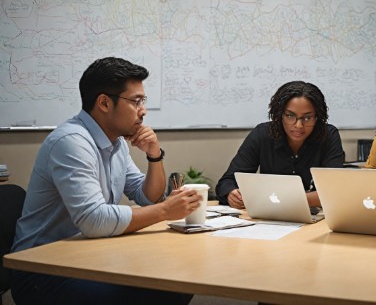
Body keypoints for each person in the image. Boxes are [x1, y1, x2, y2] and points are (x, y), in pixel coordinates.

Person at [11, 57, 198, 305]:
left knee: (176, 279)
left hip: (86, 254)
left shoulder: (116, 142)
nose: (143, 110)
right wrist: (165, 210)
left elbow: (145, 196)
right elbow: (94, 220)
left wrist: (154, 155)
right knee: (163, 291)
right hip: (42, 270)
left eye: (143, 101)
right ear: (104, 103)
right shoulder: (72, 142)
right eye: (136, 101)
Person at [216, 81, 345, 208]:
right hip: (269, 218)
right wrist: (231, 194)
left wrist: (285, 199)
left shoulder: (328, 135)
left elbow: (335, 192)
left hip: (315, 220)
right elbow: (227, 182)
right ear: (279, 115)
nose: (298, 125)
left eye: (307, 118)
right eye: (290, 116)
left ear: (317, 117)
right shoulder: (262, 134)